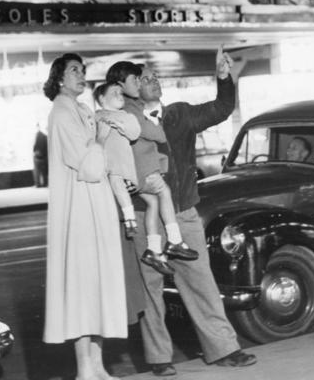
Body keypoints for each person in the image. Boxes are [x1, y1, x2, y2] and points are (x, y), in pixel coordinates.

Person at [107, 52, 257, 375]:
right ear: (131, 88)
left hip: (183, 211)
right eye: (144, 79)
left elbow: (221, 108)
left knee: (201, 281)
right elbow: (107, 155)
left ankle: (223, 348)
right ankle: (159, 358)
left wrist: (222, 77)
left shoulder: (180, 115)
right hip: (146, 215)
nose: (153, 81)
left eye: (154, 77)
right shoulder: (122, 118)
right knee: (151, 289)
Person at [43, 53, 128, 380]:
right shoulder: (62, 113)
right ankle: (84, 370)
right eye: (74, 70)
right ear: (60, 78)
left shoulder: (81, 110)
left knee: (97, 284)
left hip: (94, 206)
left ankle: (97, 365)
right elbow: (90, 165)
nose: (81, 75)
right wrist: (102, 139)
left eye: (83, 70)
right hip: (79, 211)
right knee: (82, 286)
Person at [103, 68, 199, 275]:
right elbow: (150, 133)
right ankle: (174, 240)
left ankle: (154, 249)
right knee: (164, 193)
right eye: (135, 79)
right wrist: (159, 130)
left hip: (134, 173)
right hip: (144, 169)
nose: (139, 84)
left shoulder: (121, 110)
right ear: (120, 86)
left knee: (153, 203)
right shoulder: (130, 109)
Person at [93, 81, 140, 239]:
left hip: (121, 163)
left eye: (121, 93)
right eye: (114, 93)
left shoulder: (127, 116)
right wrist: (102, 135)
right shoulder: (97, 116)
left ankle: (130, 219)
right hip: (103, 164)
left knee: (117, 182)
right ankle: (128, 219)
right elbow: (92, 141)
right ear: (102, 98)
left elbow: (134, 134)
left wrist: (121, 127)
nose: (120, 96)